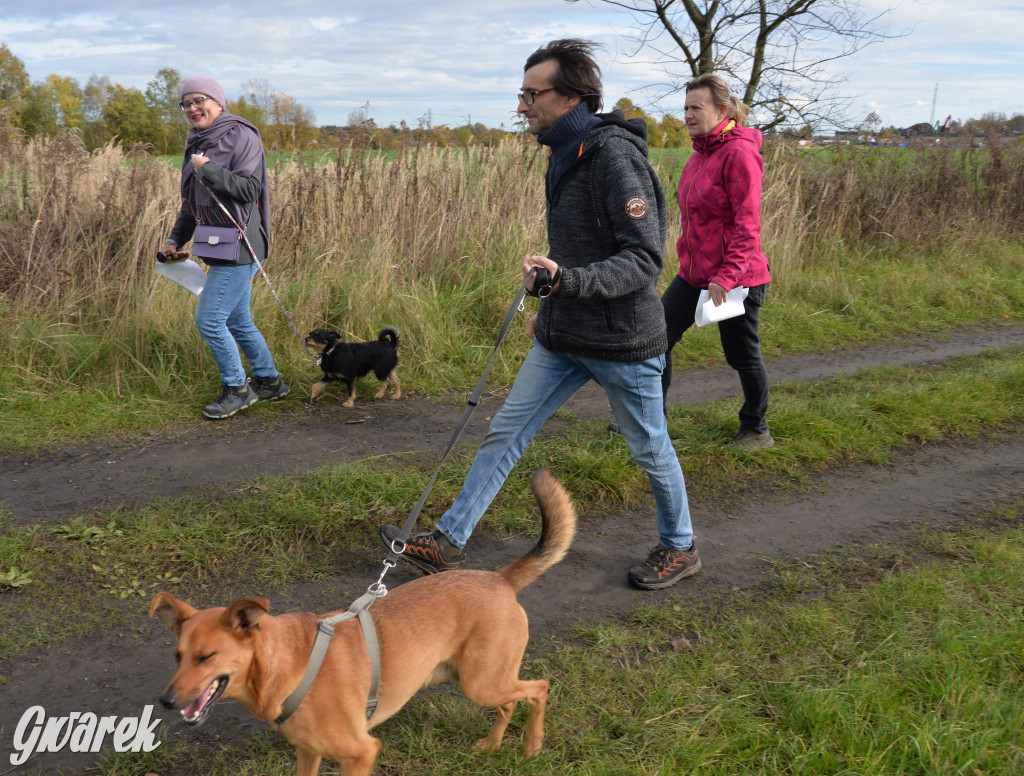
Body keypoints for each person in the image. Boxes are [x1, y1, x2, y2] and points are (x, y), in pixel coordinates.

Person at [381, 39, 700, 590]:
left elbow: (644, 259)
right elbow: (576, 253)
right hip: (564, 332)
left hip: (623, 340)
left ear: (572, 96)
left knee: (650, 447)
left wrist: (569, 280)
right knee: (504, 432)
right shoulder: (565, 153)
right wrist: (551, 292)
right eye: (521, 94)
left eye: (532, 94)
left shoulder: (615, 158)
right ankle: (448, 541)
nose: (522, 105)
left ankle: (680, 547)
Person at [158, 75, 289, 420]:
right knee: (237, 318)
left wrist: (209, 168)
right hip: (216, 243)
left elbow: (248, 190)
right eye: (185, 103)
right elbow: (192, 203)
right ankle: (270, 382)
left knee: (211, 320)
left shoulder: (241, 135)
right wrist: (175, 239)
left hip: (242, 243)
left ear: (217, 101)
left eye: (198, 100)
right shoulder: (196, 142)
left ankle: (237, 389)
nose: (192, 108)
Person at [661, 73, 773, 449]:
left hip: (736, 280)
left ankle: (756, 429)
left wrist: (727, 276)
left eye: (697, 108)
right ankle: (650, 425)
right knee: (654, 340)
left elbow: (747, 225)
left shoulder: (739, 154)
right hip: (694, 275)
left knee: (742, 356)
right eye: (686, 108)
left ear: (723, 110)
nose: (688, 115)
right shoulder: (700, 154)